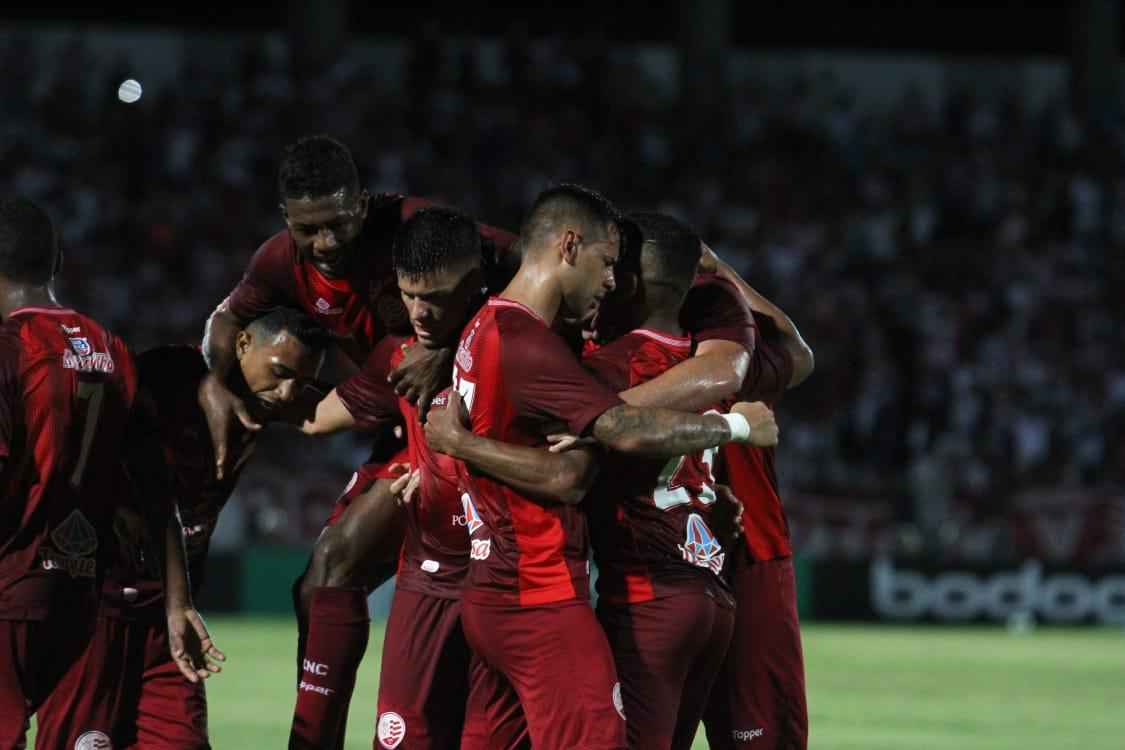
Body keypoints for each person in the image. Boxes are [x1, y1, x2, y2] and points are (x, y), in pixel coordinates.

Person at [422, 184, 777, 750]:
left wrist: (456, 445)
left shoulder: (486, 329)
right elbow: (582, 463)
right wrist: (735, 428)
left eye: (617, 267)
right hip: (545, 596)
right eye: (605, 262)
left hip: (508, 589)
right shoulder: (538, 348)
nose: (609, 280)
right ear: (569, 246)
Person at [295, 206, 549, 750]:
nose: (420, 312)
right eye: (410, 296)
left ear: (475, 283)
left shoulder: (527, 345)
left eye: (435, 298)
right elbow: (316, 418)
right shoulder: (402, 356)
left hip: (511, 576)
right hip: (428, 577)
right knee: (402, 735)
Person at [36, 307, 333, 749]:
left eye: (301, 382)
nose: (287, 391)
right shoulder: (169, 377)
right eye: (280, 372)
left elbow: (351, 403)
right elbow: (147, 485)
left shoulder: (265, 400)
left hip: (166, 612)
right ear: (243, 344)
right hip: (96, 601)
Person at [199, 134, 516, 481]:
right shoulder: (278, 263)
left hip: (472, 394)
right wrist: (215, 380)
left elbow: (528, 259)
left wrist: (446, 347)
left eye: (338, 224)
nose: (326, 243)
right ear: (287, 218)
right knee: (346, 521)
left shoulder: (412, 226)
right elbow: (227, 318)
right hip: (396, 400)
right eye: (308, 230)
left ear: (362, 205)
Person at [0, 196, 191, 748]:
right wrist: (179, 602)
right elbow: (158, 490)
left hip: (10, 589)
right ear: (58, 261)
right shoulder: (114, 350)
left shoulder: (10, 351)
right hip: (84, 600)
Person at [580, 212, 739, 750]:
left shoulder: (607, 367)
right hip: (711, 592)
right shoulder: (706, 364)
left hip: (648, 593)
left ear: (625, 282)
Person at [697, 247, 816, 750]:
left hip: (655, 567)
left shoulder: (616, 355)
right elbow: (797, 352)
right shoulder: (737, 361)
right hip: (748, 557)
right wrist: (720, 269)